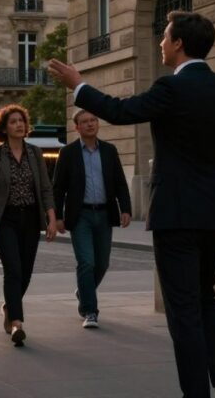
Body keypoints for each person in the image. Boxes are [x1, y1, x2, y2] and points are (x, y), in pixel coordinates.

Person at [48, 10, 215, 398]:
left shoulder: (170, 89)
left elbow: (120, 110)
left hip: (176, 213)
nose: (161, 43)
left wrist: (79, 85)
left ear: (179, 43)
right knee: (205, 297)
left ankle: (196, 392)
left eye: (165, 37)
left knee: (183, 310)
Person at [0, 105, 57, 347]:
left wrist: (52, 218)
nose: (19, 125)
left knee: (26, 271)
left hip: (31, 219)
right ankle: (17, 323)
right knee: (13, 269)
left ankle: (9, 306)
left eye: (21, 121)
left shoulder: (35, 153)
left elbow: (45, 188)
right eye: (13, 121)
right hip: (4, 219)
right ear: (4, 128)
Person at [52, 109, 132, 329]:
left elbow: (120, 182)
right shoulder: (68, 153)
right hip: (81, 216)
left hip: (105, 214)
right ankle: (90, 310)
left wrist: (126, 208)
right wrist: (57, 216)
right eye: (85, 122)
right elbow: (58, 188)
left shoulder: (109, 150)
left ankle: (83, 291)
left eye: (93, 120)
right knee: (86, 262)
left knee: (102, 263)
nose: (90, 124)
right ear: (76, 127)